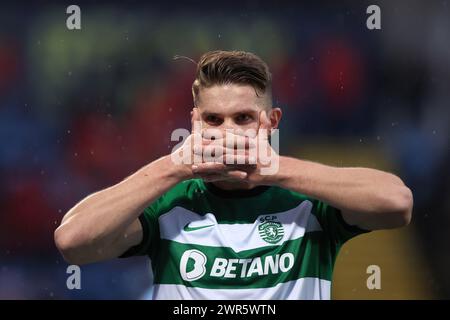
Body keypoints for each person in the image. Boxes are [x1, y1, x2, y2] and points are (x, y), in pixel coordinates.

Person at [55, 50, 413, 299]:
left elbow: (397, 203)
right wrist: (173, 167)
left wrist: (277, 169)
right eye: (213, 119)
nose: (227, 132)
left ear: (271, 123)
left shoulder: (311, 202)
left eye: (242, 118)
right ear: (195, 123)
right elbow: (72, 242)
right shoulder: (169, 204)